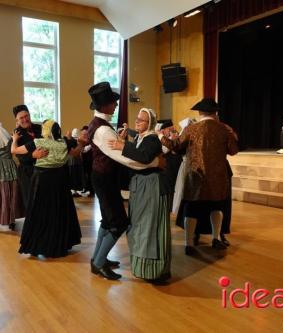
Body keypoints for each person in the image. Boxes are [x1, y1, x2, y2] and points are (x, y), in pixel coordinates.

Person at [86, 82, 158, 280]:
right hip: (104, 178)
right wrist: (151, 163)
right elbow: (124, 158)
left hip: (102, 177)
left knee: (108, 220)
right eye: (113, 102)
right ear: (105, 106)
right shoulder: (102, 130)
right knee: (118, 222)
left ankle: (97, 259)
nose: (116, 105)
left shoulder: (100, 125)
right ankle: (99, 263)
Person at [159, 98, 238, 255]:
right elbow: (233, 150)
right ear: (215, 113)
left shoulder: (191, 129)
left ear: (200, 112)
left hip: (196, 177)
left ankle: (189, 244)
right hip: (217, 176)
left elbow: (176, 146)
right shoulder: (224, 129)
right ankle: (216, 238)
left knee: (192, 210)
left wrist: (161, 136)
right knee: (216, 207)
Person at [108, 108, 172, 283]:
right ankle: (142, 268)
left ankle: (155, 271)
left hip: (151, 187)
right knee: (139, 226)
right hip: (141, 187)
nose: (137, 122)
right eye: (137, 119)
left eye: (141, 120)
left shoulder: (152, 139)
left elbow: (144, 157)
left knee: (150, 227)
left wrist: (123, 146)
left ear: (149, 123)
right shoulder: (140, 138)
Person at [12, 119, 82, 258]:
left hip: (42, 181)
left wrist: (14, 139)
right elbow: (75, 153)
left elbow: (14, 150)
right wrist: (80, 143)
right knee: (58, 211)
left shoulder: (39, 142)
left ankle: (40, 245)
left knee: (40, 212)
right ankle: (59, 244)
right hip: (59, 181)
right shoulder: (63, 143)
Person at [12, 105, 48, 211]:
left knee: (44, 199)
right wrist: (33, 155)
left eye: (26, 116)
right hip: (27, 172)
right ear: (17, 120)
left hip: (43, 169)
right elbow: (17, 154)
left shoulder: (39, 128)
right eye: (21, 118)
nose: (25, 119)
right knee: (31, 201)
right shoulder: (17, 133)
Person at [67, 128, 84, 196]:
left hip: (73, 162)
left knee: (74, 176)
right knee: (75, 176)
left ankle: (74, 190)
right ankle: (74, 190)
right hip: (74, 161)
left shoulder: (71, 141)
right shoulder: (77, 141)